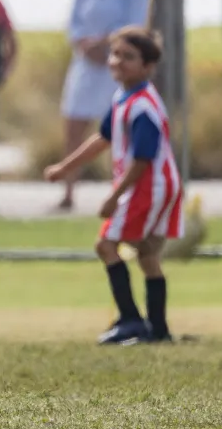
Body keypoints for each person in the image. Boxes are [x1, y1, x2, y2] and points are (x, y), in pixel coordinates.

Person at [43, 25, 182, 346]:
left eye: (128, 57)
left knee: (106, 245)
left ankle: (132, 320)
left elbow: (142, 160)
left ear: (148, 67)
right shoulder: (124, 98)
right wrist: (66, 167)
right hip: (151, 185)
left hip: (148, 185)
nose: (117, 61)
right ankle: (157, 329)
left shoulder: (142, 106)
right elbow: (103, 138)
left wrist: (113, 197)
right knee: (145, 252)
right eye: (115, 54)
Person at [58, 0, 149, 210]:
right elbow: (73, 24)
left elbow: (135, 25)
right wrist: (85, 45)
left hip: (116, 68)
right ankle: (68, 191)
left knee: (119, 132)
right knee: (74, 127)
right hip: (86, 67)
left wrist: (108, 44)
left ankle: (121, 192)